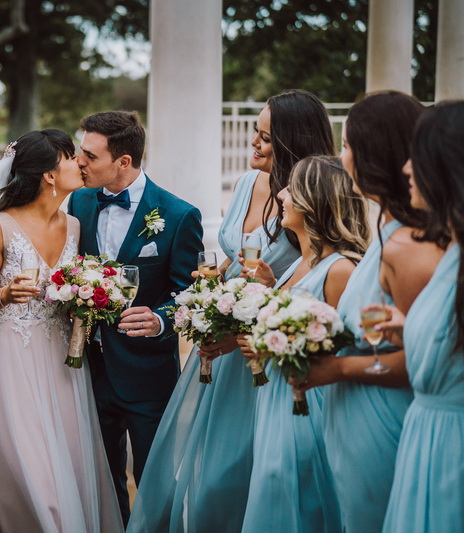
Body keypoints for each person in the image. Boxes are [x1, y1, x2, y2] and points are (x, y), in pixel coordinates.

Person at [128, 90, 331, 533]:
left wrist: (265, 296)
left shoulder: (310, 198)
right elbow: (234, 259)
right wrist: (210, 286)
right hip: (221, 348)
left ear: (293, 141)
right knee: (209, 471)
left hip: (265, 350)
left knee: (254, 468)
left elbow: (317, 272)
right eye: (255, 134)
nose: (253, 145)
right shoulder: (244, 184)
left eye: (265, 138)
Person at [294, 92, 441, 533]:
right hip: (352, 420)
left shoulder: (408, 248)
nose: (343, 158)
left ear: (374, 154)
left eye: (348, 145)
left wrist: (338, 368)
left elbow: (426, 362)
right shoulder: (387, 235)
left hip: (382, 418)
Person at [0, 129, 124, 532]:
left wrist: (91, 296)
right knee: (25, 466)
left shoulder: (73, 225)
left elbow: (76, 284)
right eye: (71, 157)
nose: (80, 164)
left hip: (62, 360)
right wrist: (4, 293)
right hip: (8, 356)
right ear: (50, 175)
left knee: (66, 461)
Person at [66, 110, 204, 523]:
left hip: (147, 375)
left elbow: (191, 293)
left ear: (123, 162)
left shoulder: (179, 215)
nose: (79, 163)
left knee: (154, 478)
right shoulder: (80, 200)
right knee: (103, 481)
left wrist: (161, 319)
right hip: (90, 368)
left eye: (89, 156)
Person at [236, 156, 369, 532]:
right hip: (276, 400)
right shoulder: (301, 263)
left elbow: (347, 348)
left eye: (291, 187)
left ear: (315, 200)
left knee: (300, 501)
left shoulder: (341, 269)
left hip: (308, 409)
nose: (280, 193)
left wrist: (274, 346)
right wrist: (266, 292)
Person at [378, 100, 464, 533]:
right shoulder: (454, 251)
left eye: (419, 155)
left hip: (453, 452)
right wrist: (409, 329)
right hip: (424, 441)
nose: (407, 168)